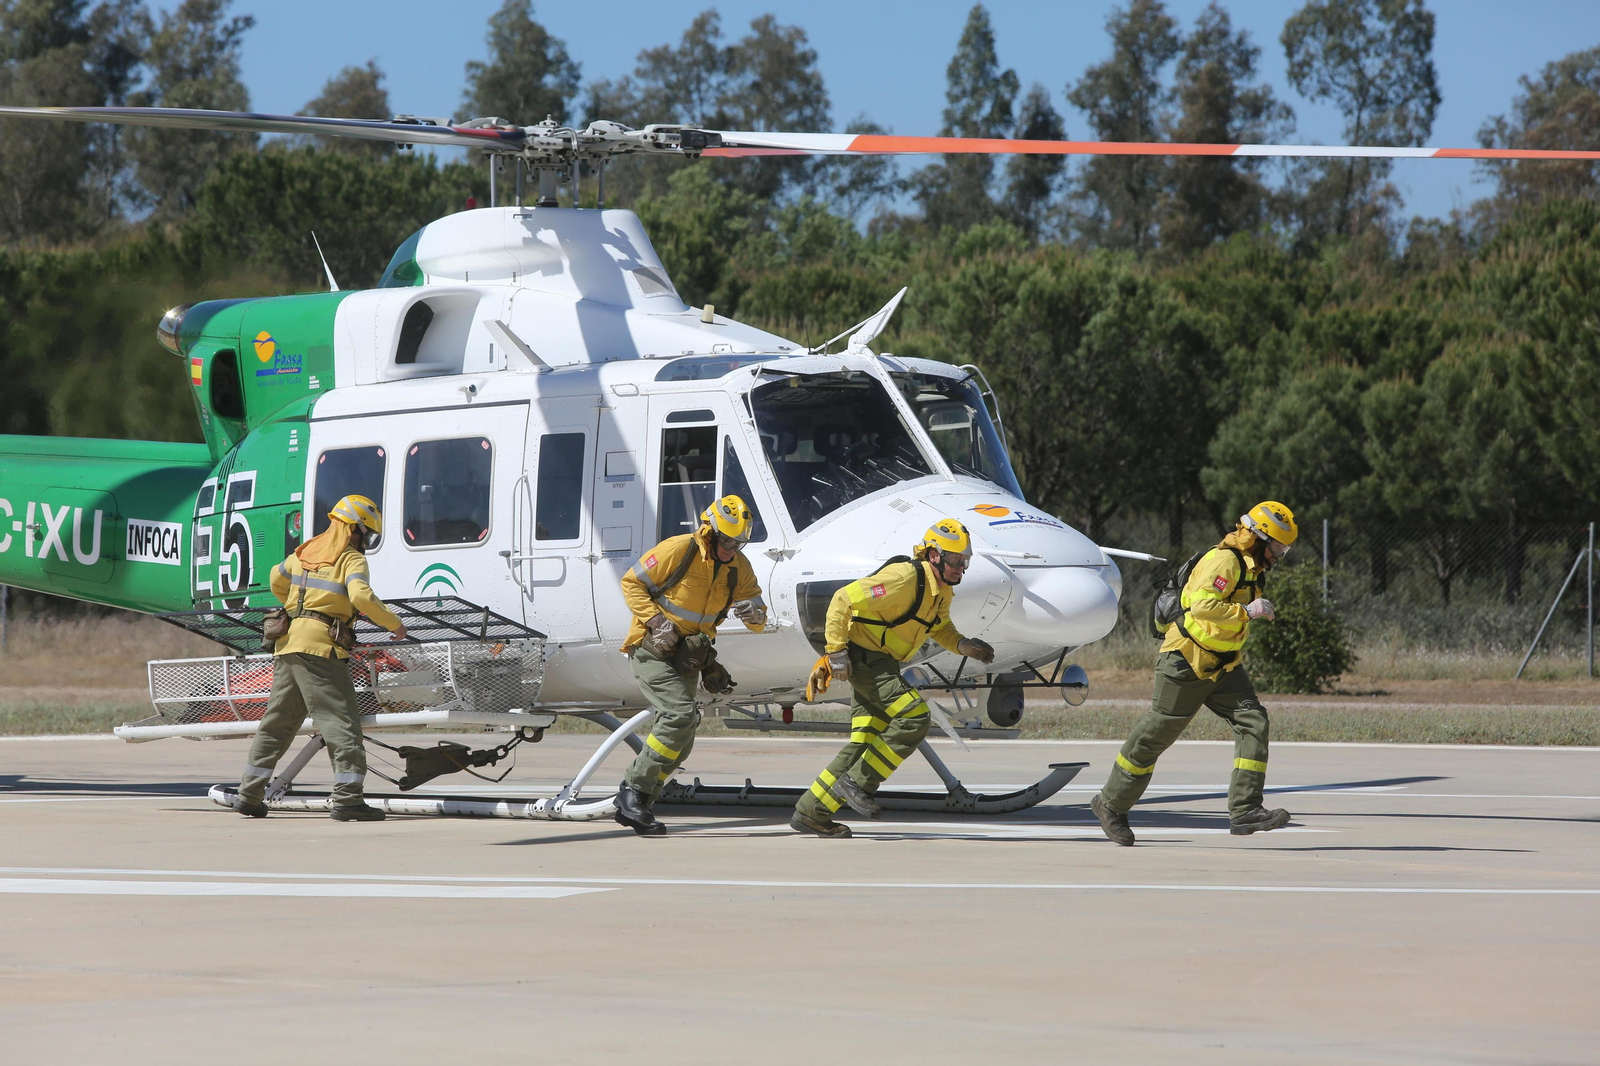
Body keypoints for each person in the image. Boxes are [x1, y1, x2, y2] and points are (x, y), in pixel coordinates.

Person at [1091, 501, 1298, 846]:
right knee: (1155, 735)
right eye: (1277, 547)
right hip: (1185, 661)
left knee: (1254, 722)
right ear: (1258, 538)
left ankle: (1245, 810)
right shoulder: (1224, 561)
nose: (1280, 555)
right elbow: (1200, 605)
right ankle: (1110, 804)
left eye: (1284, 549)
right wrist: (1248, 611)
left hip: (1224, 665)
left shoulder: (1251, 567)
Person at [791, 519, 995, 837]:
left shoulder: (941, 591)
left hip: (883, 664)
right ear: (934, 555)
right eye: (956, 560)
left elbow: (938, 626)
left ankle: (811, 811)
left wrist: (962, 645)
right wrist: (836, 653)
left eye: (965, 561)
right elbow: (843, 600)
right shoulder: (903, 577)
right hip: (866, 660)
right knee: (914, 716)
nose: (961, 568)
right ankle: (859, 783)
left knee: (864, 741)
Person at [234, 494, 407, 821]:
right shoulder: (350, 558)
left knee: (277, 724)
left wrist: (300, 607)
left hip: (287, 644)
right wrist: (394, 625)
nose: (365, 541)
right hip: (320, 650)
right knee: (341, 723)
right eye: (366, 533)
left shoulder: (307, 550)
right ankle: (348, 798)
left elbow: (275, 578)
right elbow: (360, 595)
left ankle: (249, 794)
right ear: (354, 529)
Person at [614, 495, 767, 835]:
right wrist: (656, 621)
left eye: (739, 543)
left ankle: (640, 804)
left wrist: (754, 613)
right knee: (679, 715)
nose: (732, 548)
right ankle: (632, 789)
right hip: (652, 649)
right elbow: (631, 582)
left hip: (688, 656)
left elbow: (757, 616)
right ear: (709, 531)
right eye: (727, 540)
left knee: (684, 736)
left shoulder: (737, 566)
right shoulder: (679, 549)